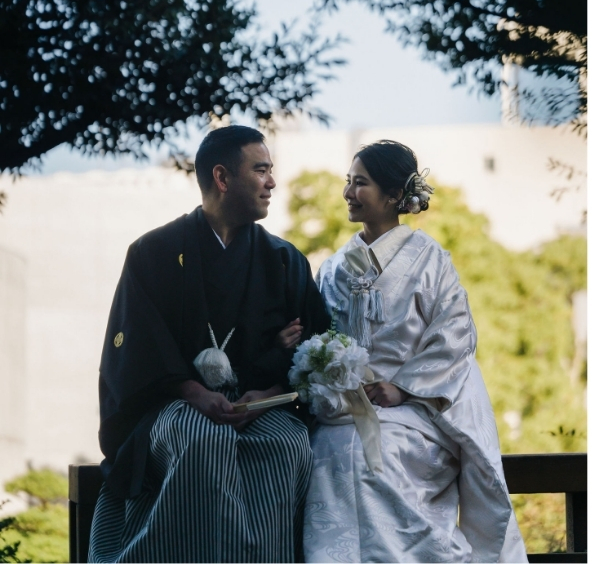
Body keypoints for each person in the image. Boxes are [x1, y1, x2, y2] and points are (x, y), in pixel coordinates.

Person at [90, 125, 331, 562]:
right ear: (222, 178)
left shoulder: (283, 259)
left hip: (260, 407)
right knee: (203, 440)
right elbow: (138, 347)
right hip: (175, 406)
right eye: (261, 171)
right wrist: (195, 393)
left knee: (286, 443)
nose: (272, 182)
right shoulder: (153, 252)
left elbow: (311, 344)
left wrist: (269, 395)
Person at [301, 141, 527, 562]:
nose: (349, 193)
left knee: (380, 455)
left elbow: (454, 334)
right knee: (326, 451)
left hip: (416, 410)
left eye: (361, 184)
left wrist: (401, 388)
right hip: (344, 406)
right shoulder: (333, 269)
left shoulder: (431, 262)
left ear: (393, 196)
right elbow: (318, 334)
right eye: (348, 182)